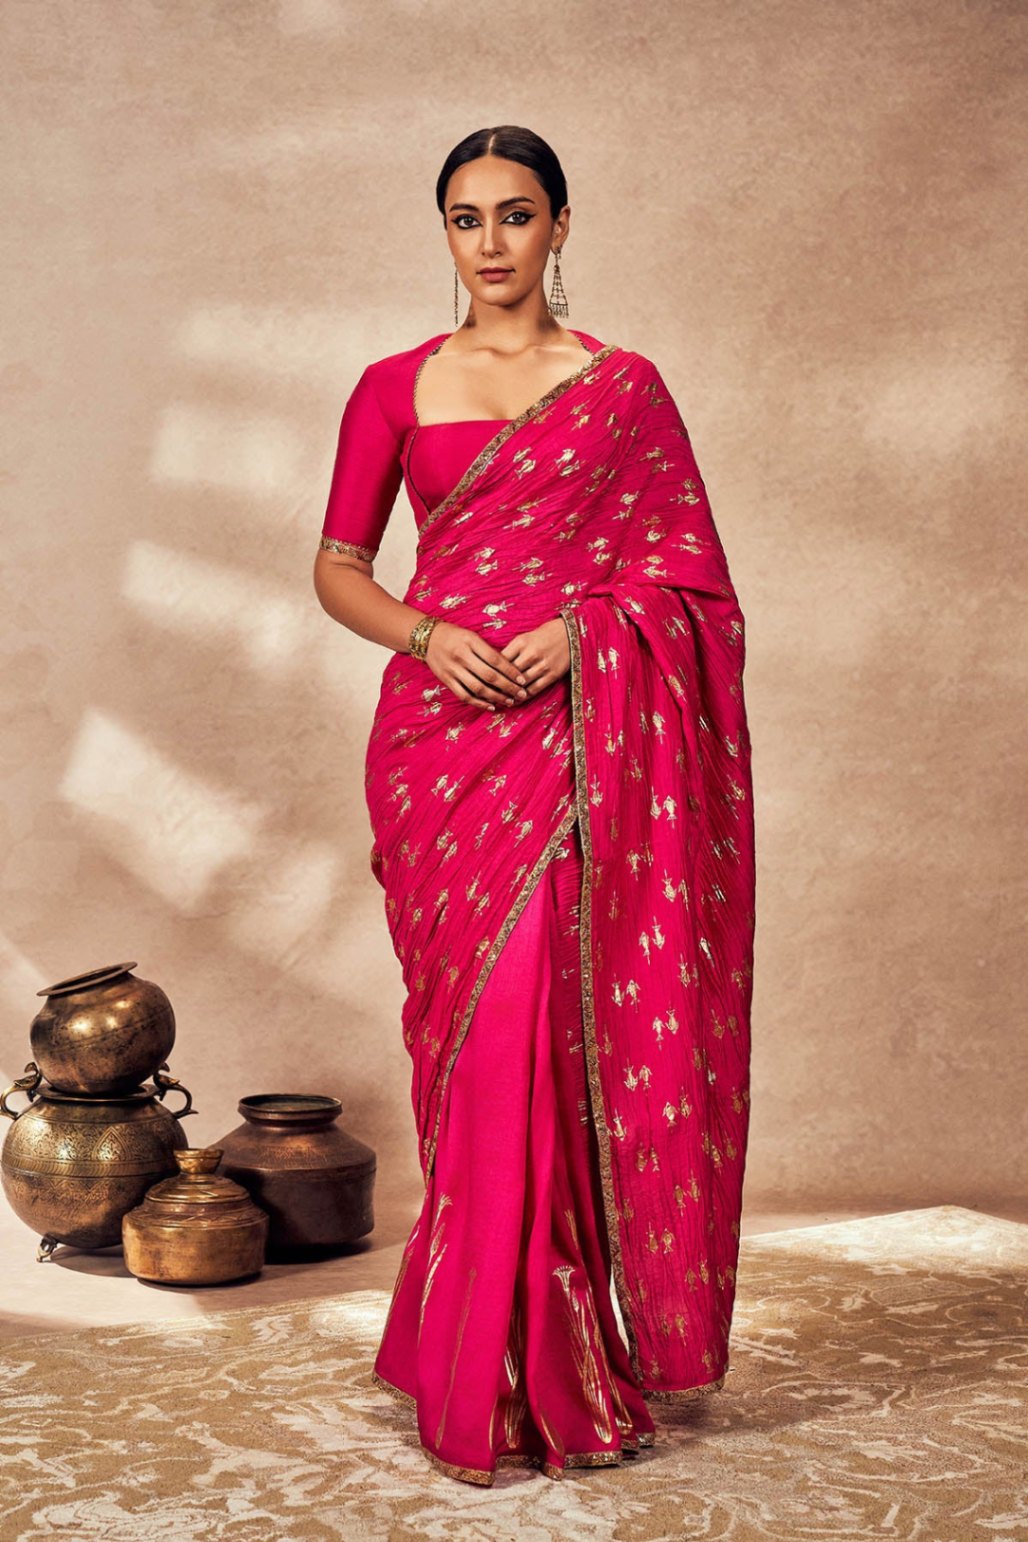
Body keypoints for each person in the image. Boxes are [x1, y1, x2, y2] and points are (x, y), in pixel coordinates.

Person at [312, 125, 756, 1488]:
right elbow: (339, 566)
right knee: (468, 1049)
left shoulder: (621, 388)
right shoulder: (394, 386)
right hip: (439, 748)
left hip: (572, 743)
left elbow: (691, 584)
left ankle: (539, 1365)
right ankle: (471, 1349)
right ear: (444, 232)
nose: (491, 241)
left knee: (542, 1042)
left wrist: (590, 634)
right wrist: (428, 633)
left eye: (516, 214)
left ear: (561, 225)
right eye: (466, 217)